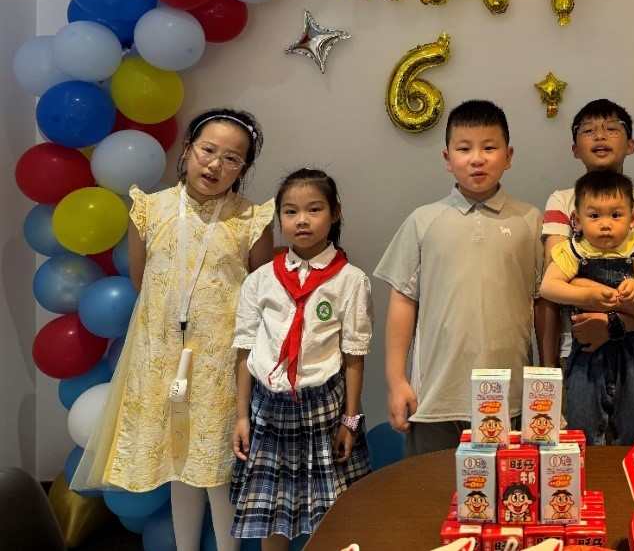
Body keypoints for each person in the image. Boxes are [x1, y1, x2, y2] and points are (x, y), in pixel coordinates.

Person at [74, 108, 275, 551]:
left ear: (243, 169)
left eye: (232, 158)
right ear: (187, 150)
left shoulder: (252, 219)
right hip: (163, 358)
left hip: (221, 364)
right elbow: (142, 280)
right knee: (178, 465)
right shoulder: (150, 209)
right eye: (208, 150)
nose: (215, 164)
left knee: (218, 469)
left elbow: (261, 293)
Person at [376, 99, 542, 457]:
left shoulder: (530, 220)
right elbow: (403, 300)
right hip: (435, 399)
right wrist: (396, 381)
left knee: (508, 489)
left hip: (511, 397)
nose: (476, 159)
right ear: (447, 159)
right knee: (430, 489)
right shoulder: (424, 220)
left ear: (509, 156)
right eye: (464, 149)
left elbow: (544, 301)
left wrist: (547, 373)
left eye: (489, 148)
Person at [230, 168, 373, 548]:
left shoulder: (351, 280)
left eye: (314, 209)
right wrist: (242, 416)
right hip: (267, 408)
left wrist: (350, 421)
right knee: (271, 513)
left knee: (333, 513)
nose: (302, 220)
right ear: (279, 217)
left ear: (335, 212)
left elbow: (354, 356)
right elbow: (245, 350)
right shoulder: (260, 279)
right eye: (290, 211)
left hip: (324, 408)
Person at [537, 99, 634, 436]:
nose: (600, 135)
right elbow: (559, 281)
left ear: (631, 144)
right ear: (575, 148)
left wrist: (613, 324)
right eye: (588, 130)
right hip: (579, 350)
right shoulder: (562, 201)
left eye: (612, 128)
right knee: (583, 448)